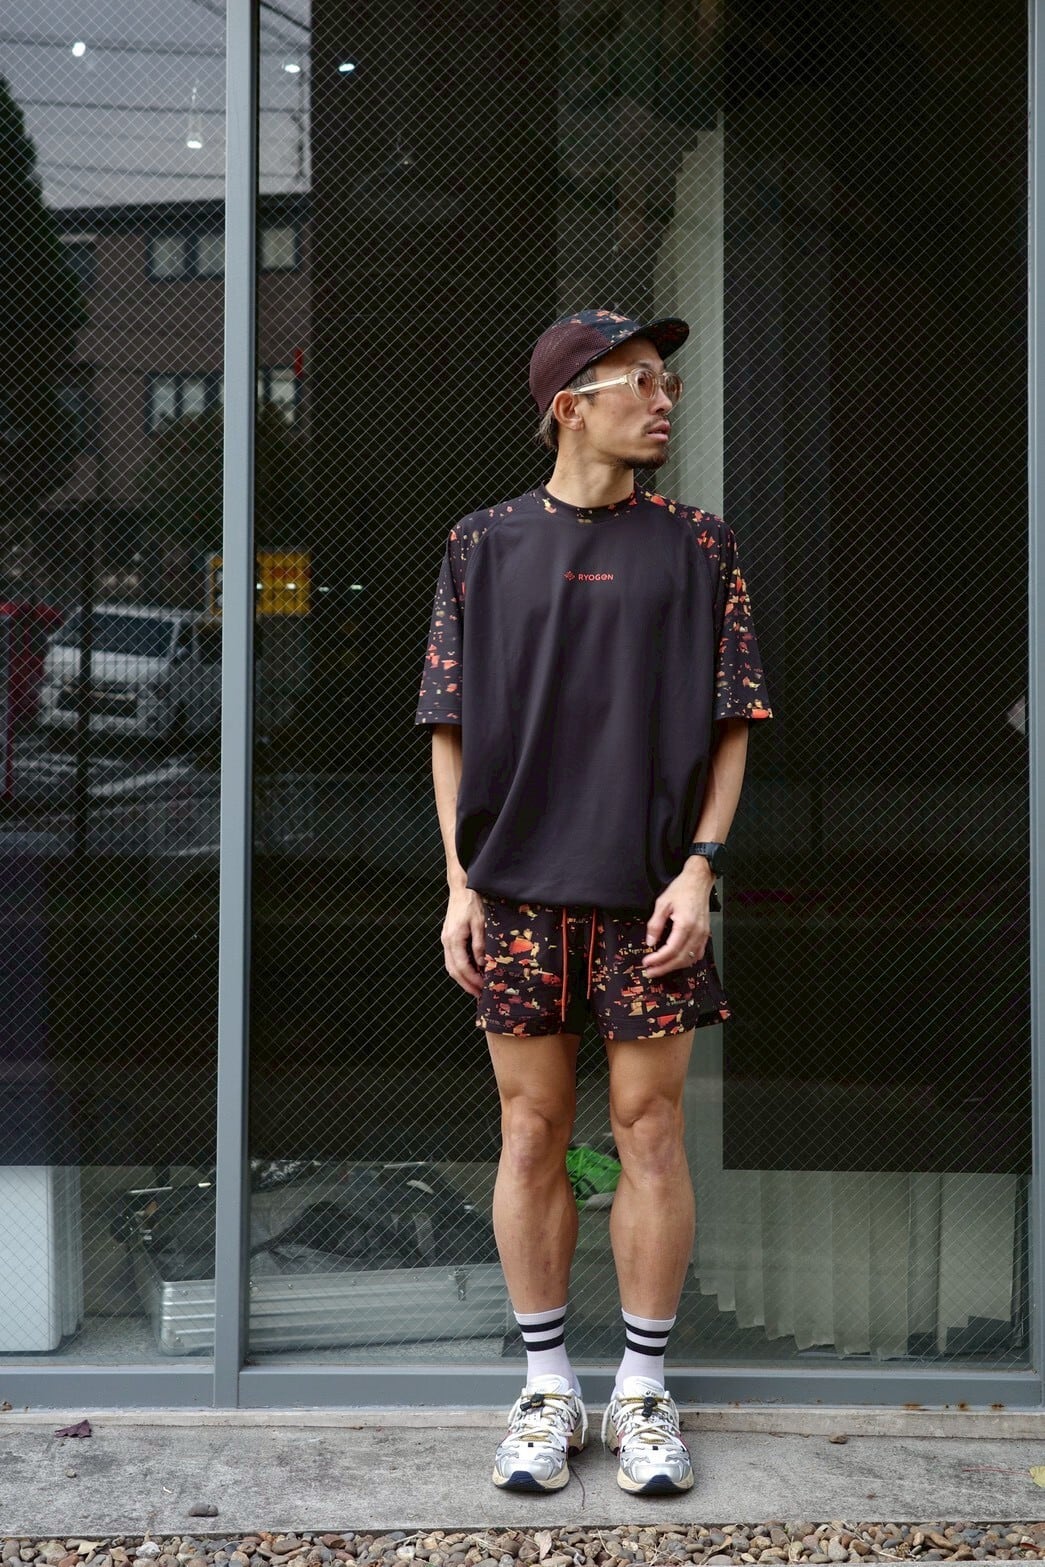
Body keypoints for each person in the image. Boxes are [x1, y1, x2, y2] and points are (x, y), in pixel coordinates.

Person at [414, 308, 773, 1495]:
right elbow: (446, 726)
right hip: (513, 893)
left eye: (668, 381)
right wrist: (459, 883)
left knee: (649, 1132)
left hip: (650, 896)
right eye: (640, 381)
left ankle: (644, 1393)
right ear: (570, 405)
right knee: (528, 1133)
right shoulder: (480, 543)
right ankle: (545, 1391)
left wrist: (700, 867)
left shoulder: (699, 544)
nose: (664, 400)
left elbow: (733, 720)